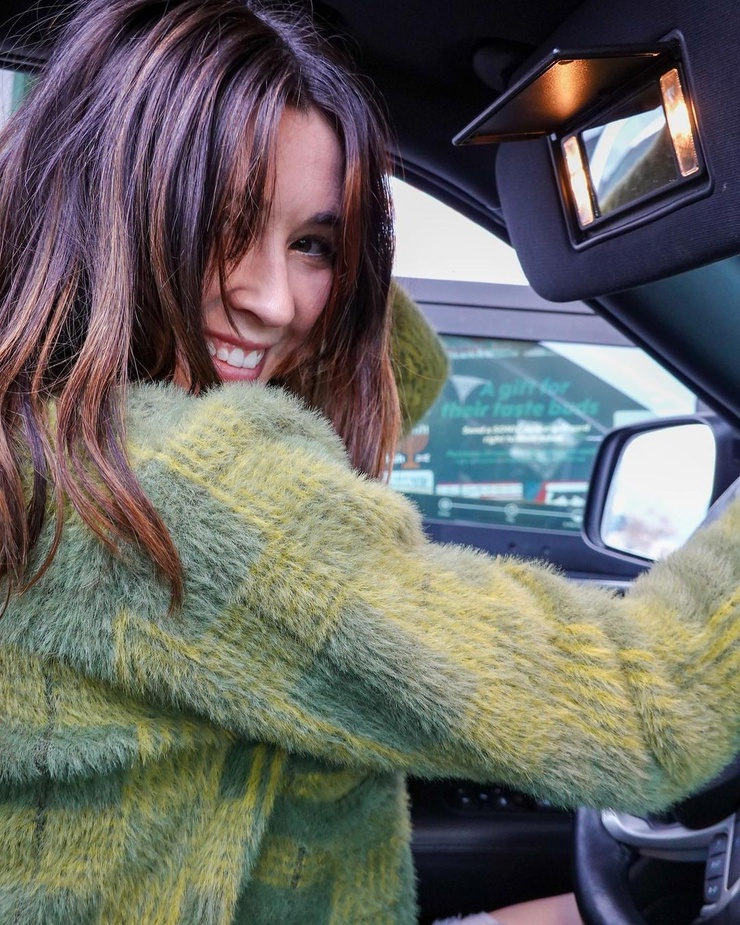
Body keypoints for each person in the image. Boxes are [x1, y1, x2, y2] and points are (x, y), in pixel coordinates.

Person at [0, 1, 738, 924]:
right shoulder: (191, 483)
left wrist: (334, 255)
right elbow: (644, 706)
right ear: (103, 211)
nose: (276, 301)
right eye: (219, 223)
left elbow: (399, 377)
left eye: (313, 245)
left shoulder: (50, 447)